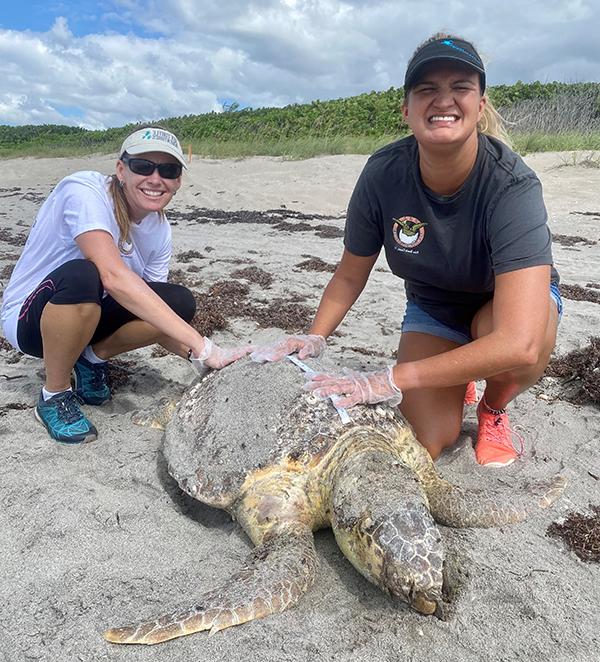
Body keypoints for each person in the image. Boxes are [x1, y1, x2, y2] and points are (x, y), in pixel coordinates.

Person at [251, 34, 562, 468]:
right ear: (407, 109)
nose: (444, 100)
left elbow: (520, 341)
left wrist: (388, 378)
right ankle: (459, 371)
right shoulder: (383, 174)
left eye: (460, 87)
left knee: (513, 350)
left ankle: (492, 407)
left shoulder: (511, 185)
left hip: (501, 308)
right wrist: (315, 335)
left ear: (481, 103)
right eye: (427, 89)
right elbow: (349, 273)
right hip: (435, 307)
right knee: (427, 439)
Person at [1, 127, 252, 444]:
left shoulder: (159, 229)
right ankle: (54, 394)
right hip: (32, 322)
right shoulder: (85, 190)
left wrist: (203, 358)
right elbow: (113, 277)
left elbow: (151, 312)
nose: (155, 178)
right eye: (143, 166)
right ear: (121, 169)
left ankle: (91, 359)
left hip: (89, 320)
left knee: (177, 301)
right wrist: (207, 348)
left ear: (178, 180)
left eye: (169, 170)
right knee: (84, 274)